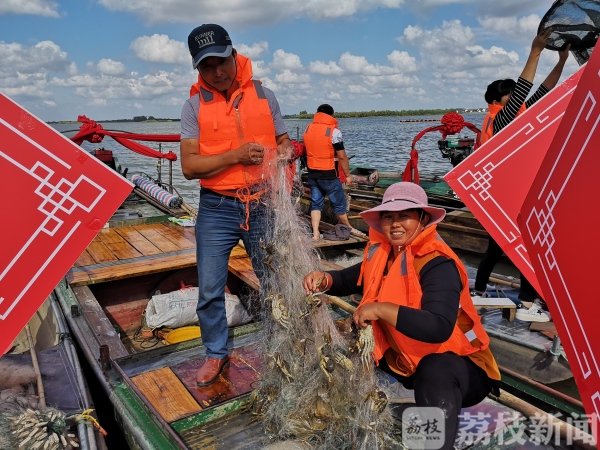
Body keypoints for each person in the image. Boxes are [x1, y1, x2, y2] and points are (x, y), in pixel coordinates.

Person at [303, 182, 500, 450]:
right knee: (345, 350)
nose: (395, 224)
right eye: (388, 216)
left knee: (435, 370)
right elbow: (348, 279)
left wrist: (380, 309)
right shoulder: (385, 253)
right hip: (406, 362)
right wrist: (324, 279)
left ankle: (436, 446)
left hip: (462, 369)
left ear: (423, 218)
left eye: (404, 215)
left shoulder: (438, 263)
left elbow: (439, 327)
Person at [180, 23, 293, 387]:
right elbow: (189, 167)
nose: (216, 72)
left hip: (262, 204)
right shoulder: (193, 106)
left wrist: (284, 156)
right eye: (206, 66)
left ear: (233, 53)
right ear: (197, 69)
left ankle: (280, 347)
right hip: (217, 208)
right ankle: (215, 354)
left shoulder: (264, 94)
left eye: (221, 62)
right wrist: (235, 156)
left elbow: (286, 143)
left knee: (274, 282)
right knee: (210, 289)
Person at [473, 28, 570, 323]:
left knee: (496, 245)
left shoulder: (504, 117)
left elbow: (543, 91)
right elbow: (527, 90)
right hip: (508, 196)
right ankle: (528, 303)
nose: (520, 101)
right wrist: (535, 51)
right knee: (530, 245)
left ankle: (478, 288)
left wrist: (562, 61)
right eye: (513, 97)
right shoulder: (500, 119)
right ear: (502, 99)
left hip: (498, 196)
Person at [303, 104, 362, 240]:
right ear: (331, 116)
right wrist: (347, 175)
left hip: (313, 174)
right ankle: (350, 228)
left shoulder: (308, 128)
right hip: (329, 175)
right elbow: (342, 156)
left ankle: (316, 233)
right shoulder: (333, 131)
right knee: (339, 204)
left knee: (316, 204)